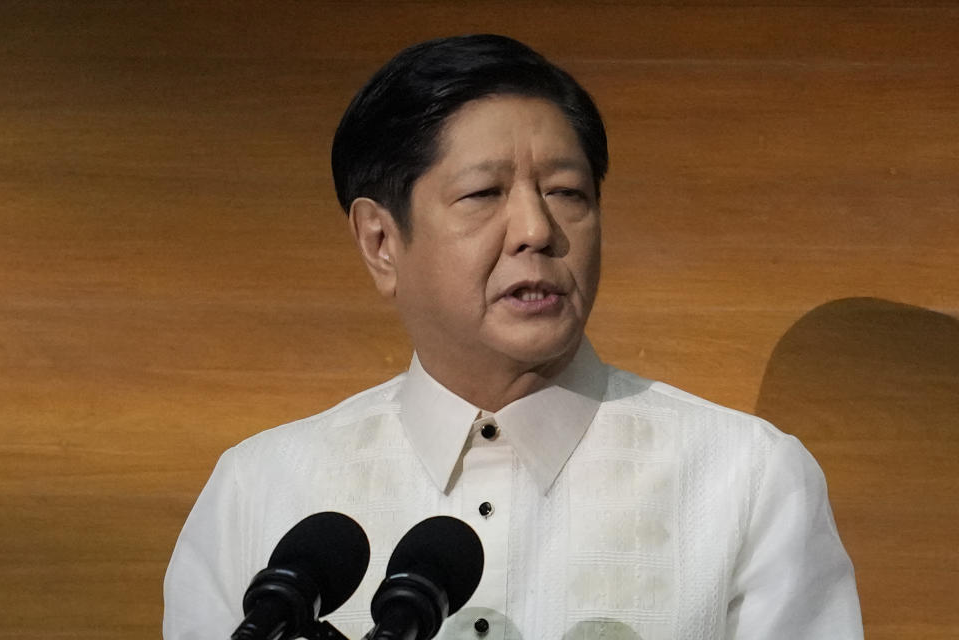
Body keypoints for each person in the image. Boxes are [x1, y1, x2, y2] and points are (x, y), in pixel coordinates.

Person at [163, 34, 863, 640]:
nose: (537, 230)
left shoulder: (747, 481)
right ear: (381, 242)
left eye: (566, 192)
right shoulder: (258, 490)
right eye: (484, 194)